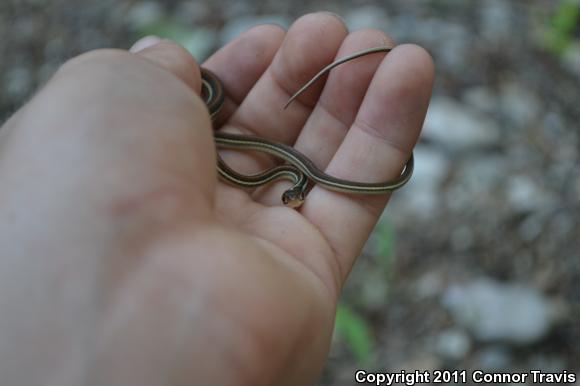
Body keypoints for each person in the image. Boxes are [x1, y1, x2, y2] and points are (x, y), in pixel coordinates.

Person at [0, 12, 434, 386]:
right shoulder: (279, 173)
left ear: (295, 191)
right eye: (295, 200)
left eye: (294, 199)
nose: (294, 203)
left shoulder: (294, 174)